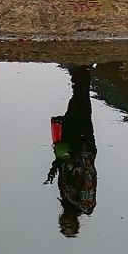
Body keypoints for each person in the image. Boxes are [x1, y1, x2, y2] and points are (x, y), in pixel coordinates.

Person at [44, 66, 98, 237]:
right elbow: (88, 176)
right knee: (81, 107)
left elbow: (64, 171)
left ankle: (79, 75)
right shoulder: (85, 204)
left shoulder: (66, 199)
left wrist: (60, 155)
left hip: (71, 148)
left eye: (64, 225)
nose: (66, 222)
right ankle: (81, 74)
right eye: (69, 225)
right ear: (76, 223)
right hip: (83, 148)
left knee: (76, 107)